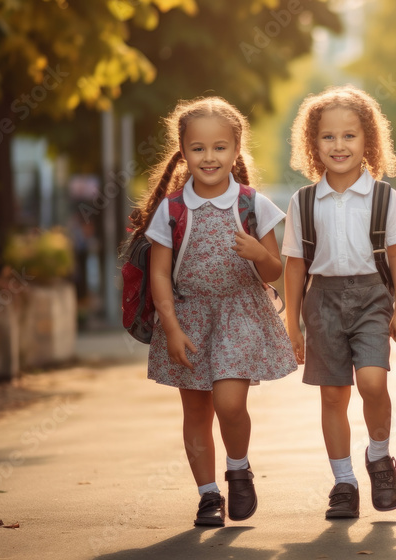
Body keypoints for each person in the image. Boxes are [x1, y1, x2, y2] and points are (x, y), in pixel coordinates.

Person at [127, 96, 297, 527]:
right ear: (183, 151)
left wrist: (259, 251)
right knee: (196, 411)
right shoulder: (171, 209)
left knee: (229, 402)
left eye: (220, 147)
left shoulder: (253, 204)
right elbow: (161, 275)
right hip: (188, 317)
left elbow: (275, 269)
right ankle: (207, 496)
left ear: (236, 150)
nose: (209, 157)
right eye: (198, 148)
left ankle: (238, 468)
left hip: (240, 312)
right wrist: (171, 327)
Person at [281, 85, 396, 519]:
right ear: (313, 144)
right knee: (333, 396)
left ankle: (379, 457)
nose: (339, 145)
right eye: (328, 137)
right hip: (322, 301)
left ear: (368, 141)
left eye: (349, 136)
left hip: (374, 297)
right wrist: (292, 324)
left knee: (373, 383)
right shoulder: (302, 201)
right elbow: (296, 266)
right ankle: (343, 483)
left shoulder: (383, 197)